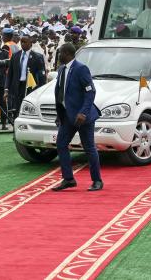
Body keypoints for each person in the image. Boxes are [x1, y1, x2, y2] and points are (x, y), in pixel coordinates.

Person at [51, 43, 103, 192]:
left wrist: (83, 112)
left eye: (60, 53)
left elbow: (90, 92)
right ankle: (68, 179)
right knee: (61, 144)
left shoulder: (81, 69)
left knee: (89, 148)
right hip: (67, 116)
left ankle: (97, 180)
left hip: (82, 117)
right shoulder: (61, 69)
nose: (58, 55)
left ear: (67, 53)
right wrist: (59, 114)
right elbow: (61, 93)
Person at [5, 35, 46, 119]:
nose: (22, 44)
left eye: (25, 42)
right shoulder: (15, 56)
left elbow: (42, 76)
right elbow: (10, 74)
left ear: (30, 43)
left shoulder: (37, 57)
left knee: (28, 109)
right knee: (17, 109)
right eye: (21, 42)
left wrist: (41, 90)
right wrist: (6, 89)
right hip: (17, 86)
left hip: (30, 87)